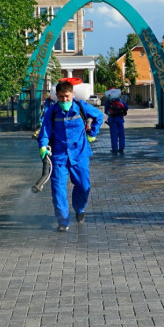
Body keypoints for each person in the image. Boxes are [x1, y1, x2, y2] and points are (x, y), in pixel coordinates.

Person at [37, 80, 104, 232]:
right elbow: (45, 131)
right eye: (61, 97)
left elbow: (99, 116)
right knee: (58, 188)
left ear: (73, 94)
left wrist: (92, 133)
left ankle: (79, 208)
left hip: (79, 154)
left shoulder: (81, 107)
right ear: (56, 96)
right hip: (58, 156)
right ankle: (63, 220)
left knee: (84, 186)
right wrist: (43, 146)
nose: (64, 100)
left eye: (67, 96)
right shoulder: (52, 112)